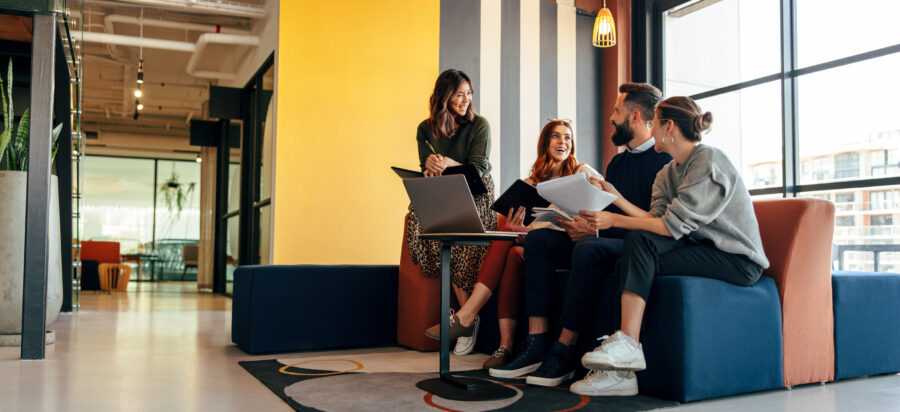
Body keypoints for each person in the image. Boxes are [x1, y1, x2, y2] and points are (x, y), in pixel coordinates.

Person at [571, 96, 769, 396]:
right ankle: (622, 374)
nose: (650, 130)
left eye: (655, 123)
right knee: (628, 259)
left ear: (669, 126)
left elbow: (668, 227)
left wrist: (613, 219)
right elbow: (655, 219)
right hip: (699, 248)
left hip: (736, 259)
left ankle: (627, 346)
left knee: (638, 245)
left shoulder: (708, 161)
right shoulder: (667, 172)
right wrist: (616, 198)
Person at [489, 83, 672, 389]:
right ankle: (536, 343)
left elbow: (652, 223)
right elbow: (600, 207)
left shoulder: (663, 162)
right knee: (539, 242)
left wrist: (596, 230)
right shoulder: (617, 162)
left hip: (636, 244)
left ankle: (563, 351)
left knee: (588, 249)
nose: (611, 117)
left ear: (636, 116)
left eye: (617, 110)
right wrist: (582, 223)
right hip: (602, 234)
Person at [424, 118, 602, 366]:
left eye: (567, 137)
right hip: (536, 245)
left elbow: (602, 204)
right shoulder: (530, 184)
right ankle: (505, 346)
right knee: (510, 243)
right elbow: (527, 228)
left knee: (513, 240)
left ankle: (466, 316)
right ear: (545, 143)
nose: (563, 142)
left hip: (570, 244)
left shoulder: (581, 172)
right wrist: (518, 229)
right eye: (556, 136)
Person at [406, 69, 496, 356]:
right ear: (443, 96)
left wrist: (448, 162)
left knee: (458, 236)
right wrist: (431, 165)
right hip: (443, 189)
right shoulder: (425, 128)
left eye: (469, 93)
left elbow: (479, 169)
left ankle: (466, 319)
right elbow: (426, 167)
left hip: (476, 191)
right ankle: (466, 319)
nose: (466, 99)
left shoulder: (480, 125)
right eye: (459, 94)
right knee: (420, 219)